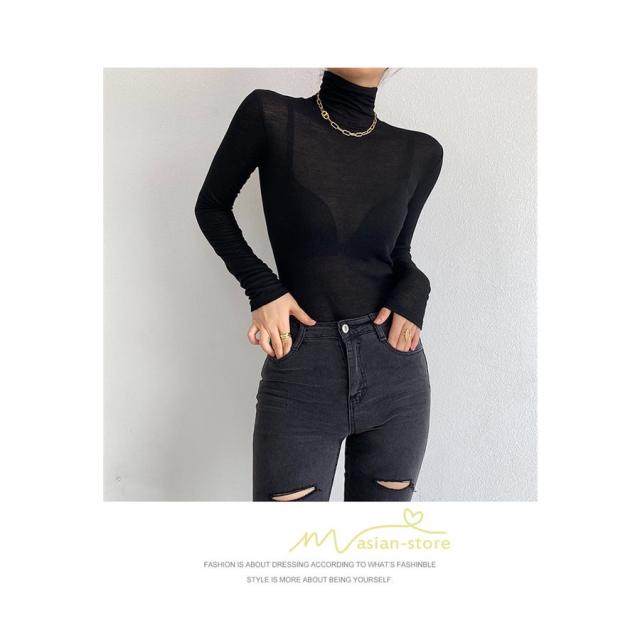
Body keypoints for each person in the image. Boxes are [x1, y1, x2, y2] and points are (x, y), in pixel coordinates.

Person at [195, 68, 444, 501]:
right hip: (303, 369)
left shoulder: (421, 152)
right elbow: (212, 207)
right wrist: (263, 288)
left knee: (381, 541)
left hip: (394, 371)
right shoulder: (271, 114)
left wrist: (417, 289)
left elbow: (398, 254)